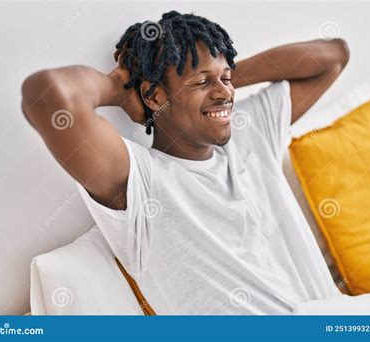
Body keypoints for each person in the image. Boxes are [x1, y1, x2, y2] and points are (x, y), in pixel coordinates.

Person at [21, 10, 350, 314]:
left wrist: (217, 76)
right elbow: (47, 95)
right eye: (202, 82)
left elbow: (334, 56)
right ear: (154, 96)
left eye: (226, 78)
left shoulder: (250, 131)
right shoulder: (139, 180)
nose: (224, 94)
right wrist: (121, 88)